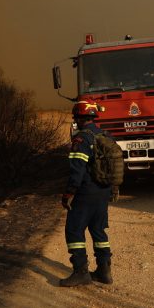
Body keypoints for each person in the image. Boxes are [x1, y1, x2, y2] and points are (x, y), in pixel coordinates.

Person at [60, 101, 118, 287]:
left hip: (86, 193)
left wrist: (69, 193)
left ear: (78, 118)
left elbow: (77, 171)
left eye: (75, 118)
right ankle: (104, 271)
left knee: (74, 230)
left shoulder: (82, 139)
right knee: (98, 230)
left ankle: (80, 272)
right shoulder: (106, 135)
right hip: (104, 191)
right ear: (93, 118)